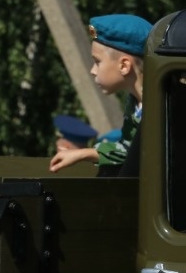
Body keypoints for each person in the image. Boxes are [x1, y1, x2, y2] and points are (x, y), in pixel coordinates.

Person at [49, 14, 152, 176]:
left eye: (97, 62)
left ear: (124, 66)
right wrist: (84, 154)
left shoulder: (160, 105)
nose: (93, 71)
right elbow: (128, 149)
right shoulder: (136, 103)